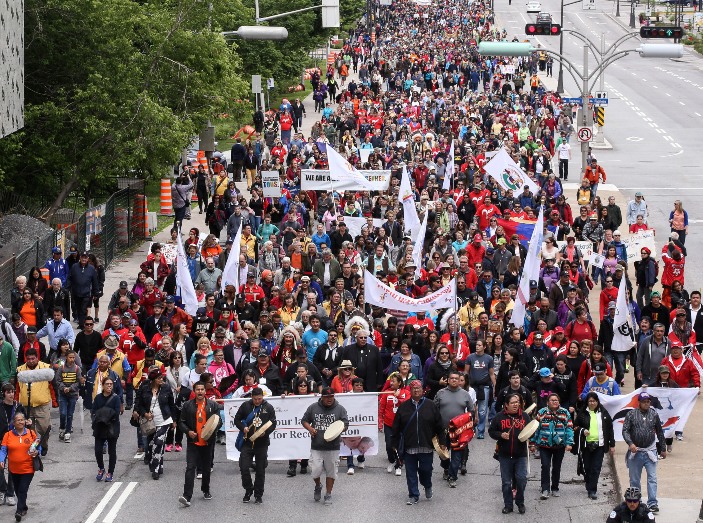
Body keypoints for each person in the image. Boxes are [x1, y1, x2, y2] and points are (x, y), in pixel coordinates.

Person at [391, 379, 443, 505]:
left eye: (418, 388)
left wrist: (442, 442)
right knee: (410, 473)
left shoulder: (431, 405)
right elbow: (396, 427)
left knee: (426, 470)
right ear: (410, 390)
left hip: (426, 446)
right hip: (409, 447)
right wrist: (394, 444)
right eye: (413, 388)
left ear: (422, 390)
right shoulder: (403, 407)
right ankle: (413, 495)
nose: (416, 390)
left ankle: (427, 485)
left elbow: (439, 426)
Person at [301, 387, 349, 505]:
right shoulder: (313, 407)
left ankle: (328, 494)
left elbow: (346, 424)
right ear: (321, 397)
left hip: (333, 447)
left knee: (331, 472)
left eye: (331, 396)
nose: (329, 399)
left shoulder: (340, 409)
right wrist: (310, 429)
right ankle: (318, 485)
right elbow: (304, 420)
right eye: (327, 397)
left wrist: (338, 430)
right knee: (315, 471)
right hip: (317, 445)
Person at [178, 381, 221, 507]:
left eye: (202, 389)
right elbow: (181, 422)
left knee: (206, 469)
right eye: (198, 389)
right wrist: (188, 431)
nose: (200, 392)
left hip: (208, 442)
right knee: (190, 467)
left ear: (205, 391)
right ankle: (187, 496)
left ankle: (205, 490)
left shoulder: (213, 405)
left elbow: (219, 422)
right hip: (193, 442)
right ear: (194, 391)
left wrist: (210, 429)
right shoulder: (187, 405)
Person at [622, 391, 666, 513]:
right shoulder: (631, 414)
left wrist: (662, 448)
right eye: (644, 402)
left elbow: (659, 431)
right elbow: (625, 430)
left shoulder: (654, 414)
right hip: (636, 452)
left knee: (652, 478)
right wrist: (630, 444)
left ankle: (652, 503)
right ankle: (636, 502)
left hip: (650, 451)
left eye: (648, 402)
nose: (647, 404)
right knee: (635, 479)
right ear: (639, 403)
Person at [488, 392, 531, 515]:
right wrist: (500, 435)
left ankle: (520, 502)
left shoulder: (525, 416)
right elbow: (491, 431)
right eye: (512, 403)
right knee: (506, 482)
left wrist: (531, 443)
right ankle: (508, 505)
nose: (515, 405)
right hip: (505, 455)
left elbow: (530, 432)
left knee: (522, 479)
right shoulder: (499, 417)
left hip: (521, 455)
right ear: (506, 405)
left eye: (517, 402)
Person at [233, 387, 277, 504]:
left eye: (259, 399)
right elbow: (237, 420)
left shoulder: (268, 407)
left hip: (261, 444)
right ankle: (248, 489)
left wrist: (266, 432)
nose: (257, 401)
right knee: (244, 468)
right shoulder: (245, 406)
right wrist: (243, 427)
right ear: (251, 397)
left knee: (260, 470)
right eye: (255, 399)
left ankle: (258, 494)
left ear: (263, 397)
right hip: (247, 442)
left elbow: (273, 423)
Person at [434, 369, 475, 487]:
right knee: (443, 454)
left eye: (456, 379)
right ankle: (446, 468)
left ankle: (453, 477)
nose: (454, 380)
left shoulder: (465, 394)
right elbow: (434, 409)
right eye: (452, 378)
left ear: (460, 381)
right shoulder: (440, 393)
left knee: (457, 455)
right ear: (448, 380)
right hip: (443, 430)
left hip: (459, 431)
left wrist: (469, 424)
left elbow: (471, 411)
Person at [530, 392, 574, 500]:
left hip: (559, 446)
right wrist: (533, 443)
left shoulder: (565, 413)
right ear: (547, 402)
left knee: (556, 467)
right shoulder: (542, 412)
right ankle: (545, 488)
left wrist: (569, 443)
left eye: (556, 400)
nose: (554, 402)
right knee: (545, 466)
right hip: (544, 445)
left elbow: (569, 428)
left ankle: (555, 488)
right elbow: (535, 428)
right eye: (552, 400)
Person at [572, 392, 615, 500]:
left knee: (596, 468)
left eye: (594, 401)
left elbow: (610, 429)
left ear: (597, 401)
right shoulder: (582, 414)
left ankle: (592, 490)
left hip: (599, 445)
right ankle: (588, 481)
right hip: (586, 445)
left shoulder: (604, 413)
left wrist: (612, 444)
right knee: (587, 467)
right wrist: (582, 430)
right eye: (590, 401)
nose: (592, 403)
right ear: (587, 402)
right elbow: (575, 426)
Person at [134, 365, 174, 480]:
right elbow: (140, 403)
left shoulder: (166, 388)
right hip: (151, 422)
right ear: (153, 379)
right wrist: (144, 413)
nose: (161, 380)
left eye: (162, 377)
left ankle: (155, 469)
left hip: (164, 420)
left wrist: (174, 420)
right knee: (152, 445)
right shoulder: (145, 387)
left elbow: (171, 404)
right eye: (159, 378)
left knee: (158, 441)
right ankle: (159, 464)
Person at [14, 349, 56, 456]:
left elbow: (52, 386)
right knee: (30, 431)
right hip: (26, 406)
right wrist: (15, 401)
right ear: (25, 359)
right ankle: (34, 450)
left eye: (33, 358)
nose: (31, 361)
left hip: (42, 405)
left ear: (37, 358)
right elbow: (17, 388)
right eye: (28, 359)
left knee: (45, 428)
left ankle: (44, 444)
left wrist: (55, 401)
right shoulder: (20, 370)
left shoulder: (46, 368)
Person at [0, 412, 40, 522]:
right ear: (14, 422)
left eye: (22, 419)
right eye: (18, 420)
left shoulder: (31, 434)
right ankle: (24, 506)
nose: (21, 422)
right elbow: (3, 450)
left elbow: (37, 447)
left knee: (22, 489)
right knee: (17, 490)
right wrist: (1, 460)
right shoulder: (7, 435)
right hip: (13, 469)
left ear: (25, 421)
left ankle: (18, 511)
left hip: (28, 468)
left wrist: (36, 452)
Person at [0, 383, 27, 507]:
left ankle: (10, 494)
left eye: (12, 391)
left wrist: (28, 421)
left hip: (14, 439)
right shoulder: (0, 406)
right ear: (4, 393)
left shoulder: (18, 406)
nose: (11, 394)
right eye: (8, 392)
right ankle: (2, 489)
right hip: (1, 440)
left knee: (12, 468)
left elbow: (24, 420)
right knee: (0, 466)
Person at [90, 376, 121, 482]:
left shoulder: (116, 398)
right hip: (99, 427)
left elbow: (116, 413)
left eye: (111, 384)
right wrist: (101, 415)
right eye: (107, 384)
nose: (109, 386)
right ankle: (101, 468)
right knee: (98, 450)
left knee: (112, 451)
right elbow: (94, 411)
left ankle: (110, 472)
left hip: (112, 427)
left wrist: (103, 414)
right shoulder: (98, 398)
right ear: (102, 385)